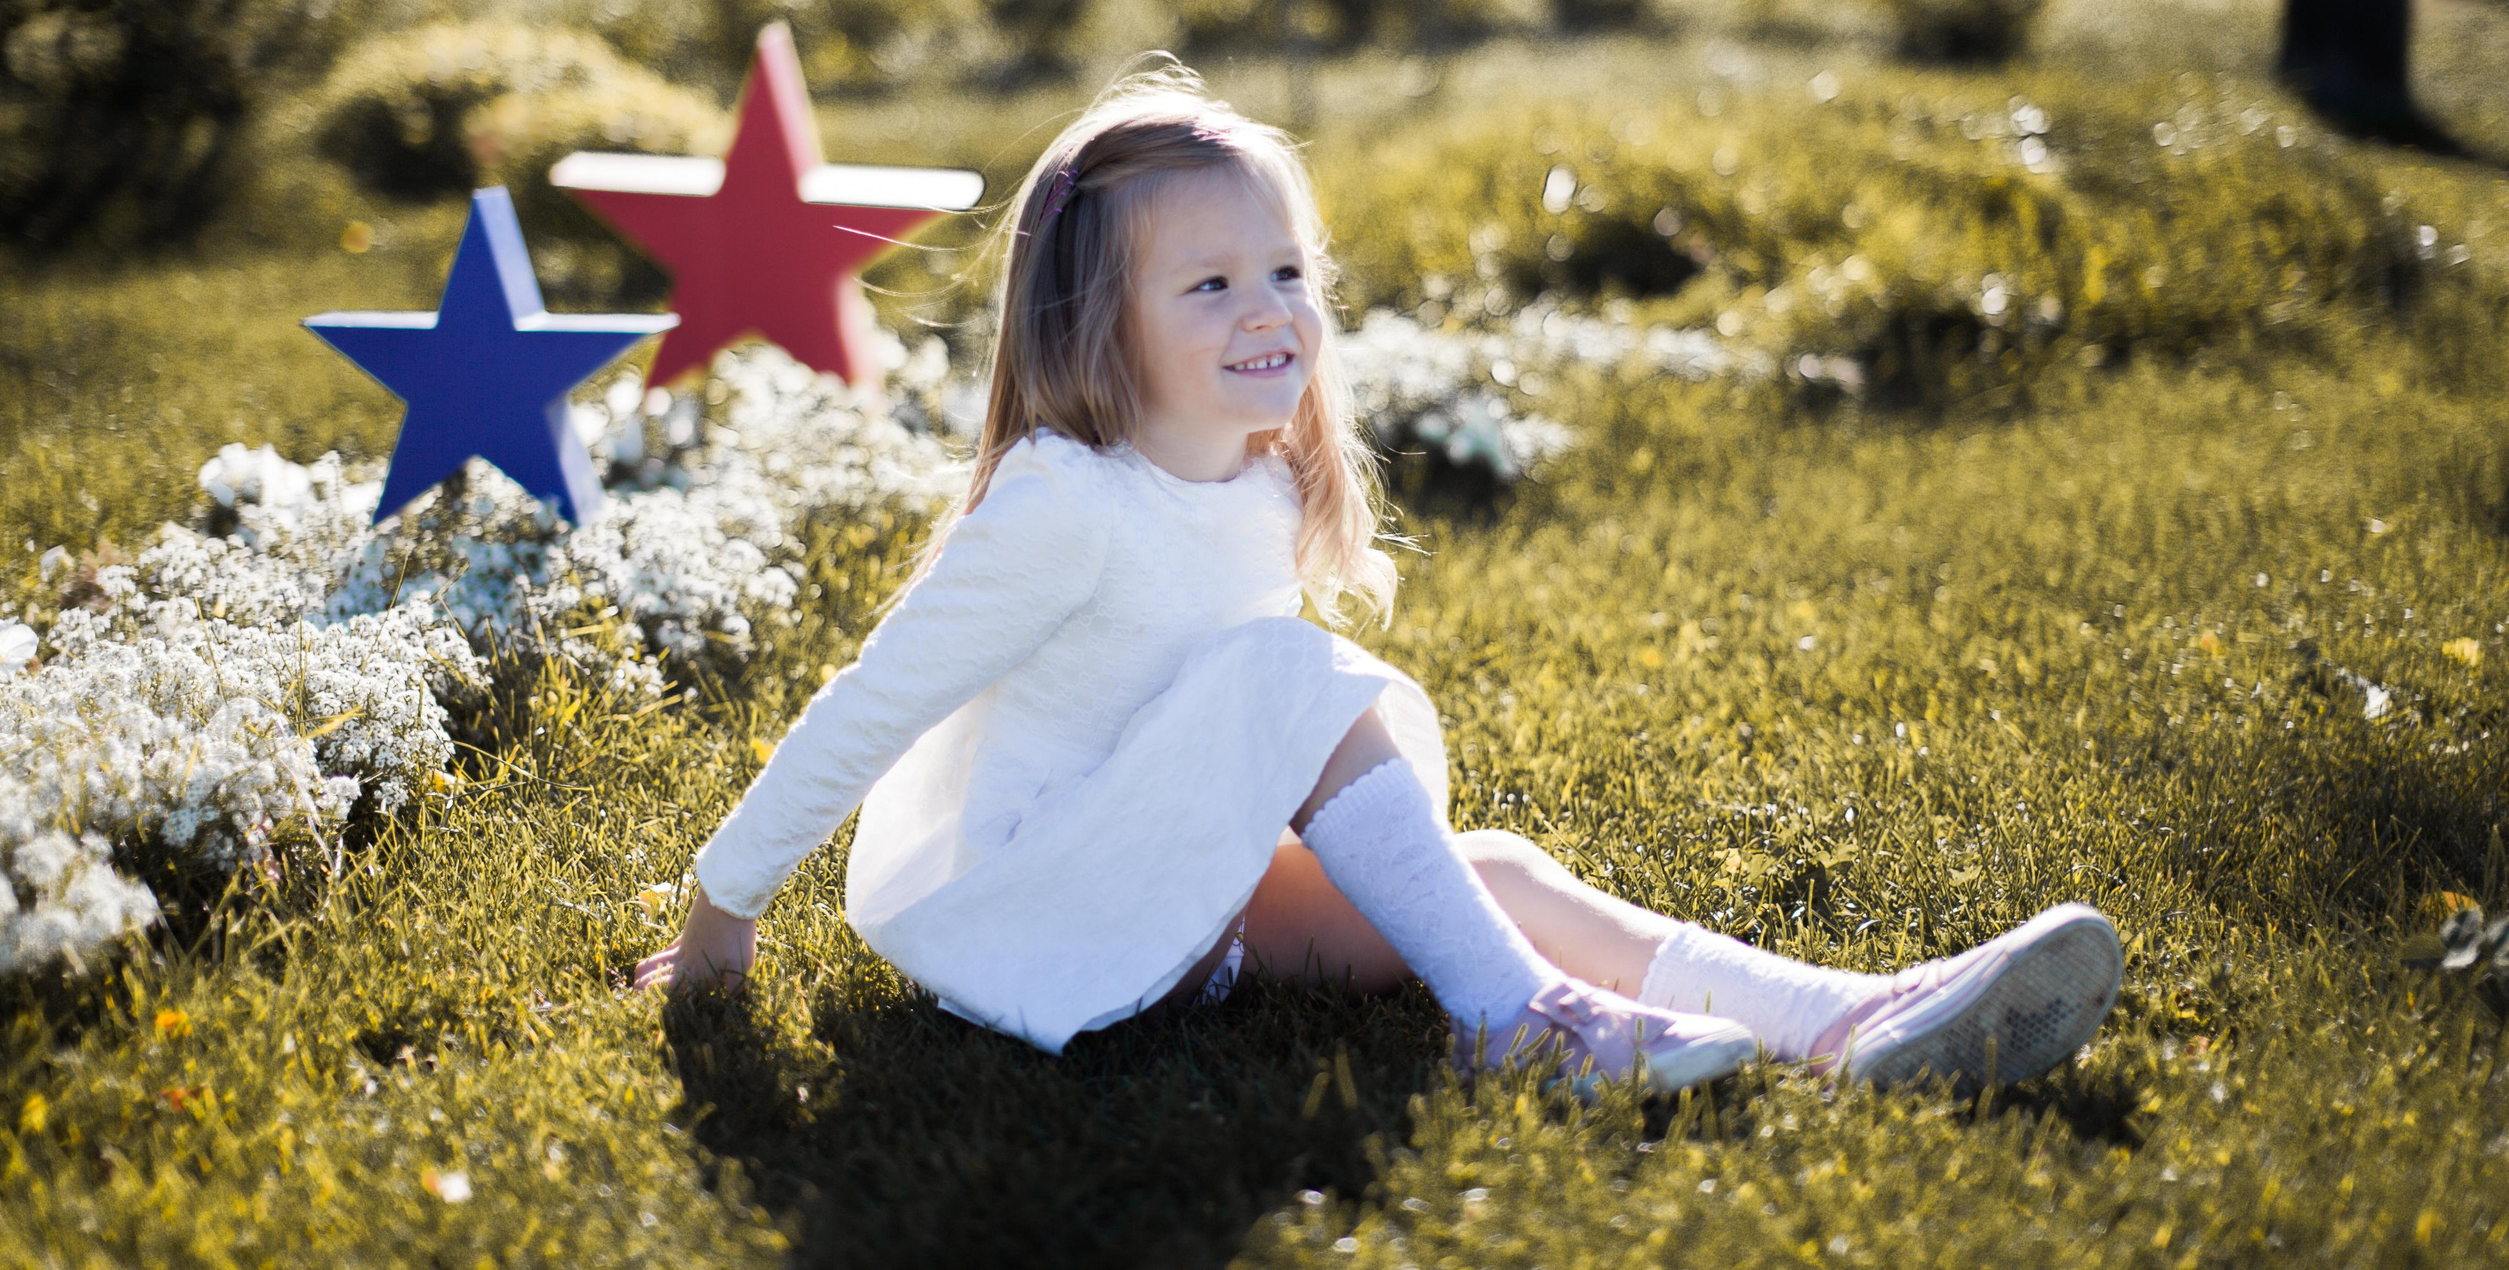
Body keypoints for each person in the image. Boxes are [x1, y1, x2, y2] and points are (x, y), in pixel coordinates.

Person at [630, 60, 2126, 1098]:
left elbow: (1218, 745)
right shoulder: (1064, 505)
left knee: (1501, 872)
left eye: (1287, 273)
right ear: (1098, 323)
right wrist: (722, 912)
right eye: (1210, 284)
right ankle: (1515, 1019)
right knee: (1292, 675)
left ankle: (1850, 1019)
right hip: (1028, 911)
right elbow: (875, 704)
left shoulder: (1258, 476)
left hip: (1159, 887)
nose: (1269, 311)